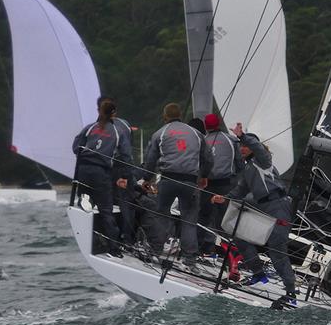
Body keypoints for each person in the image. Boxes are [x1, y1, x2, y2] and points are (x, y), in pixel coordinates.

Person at [211, 123, 296, 304]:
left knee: (276, 251)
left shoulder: (263, 162)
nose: (242, 149)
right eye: (241, 146)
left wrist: (243, 136)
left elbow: (258, 147)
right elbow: (240, 191)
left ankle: (291, 293)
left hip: (279, 208)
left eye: (245, 146)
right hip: (263, 209)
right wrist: (223, 198)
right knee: (239, 236)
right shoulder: (248, 168)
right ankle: (259, 274)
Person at [142, 103, 212, 264]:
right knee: (189, 220)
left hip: (168, 180)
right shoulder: (196, 134)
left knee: (161, 215)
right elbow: (208, 159)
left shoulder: (160, 133)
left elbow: (151, 159)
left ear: (165, 116)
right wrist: (204, 176)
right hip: (190, 182)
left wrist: (147, 178)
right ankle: (190, 258)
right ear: (180, 115)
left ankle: (158, 251)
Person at [72, 96, 133, 256]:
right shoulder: (118, 131)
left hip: (83, 170)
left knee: (85, 206)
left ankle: (89, 240)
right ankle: (114, 248)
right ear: (114, 113)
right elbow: (126, 156)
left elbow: (75, 147)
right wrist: (125, 176)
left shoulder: (90, 128)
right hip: (101, 172)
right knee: (106, 210)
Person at [198, 113, 243, 253]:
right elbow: (240, 164)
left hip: (207, 184)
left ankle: (203, 248)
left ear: (206, 126)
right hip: (226, 184)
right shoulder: (231, 140)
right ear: (218, 124)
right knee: (225, 219)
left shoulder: (203, 140)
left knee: (204, 216)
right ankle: (228, 253)